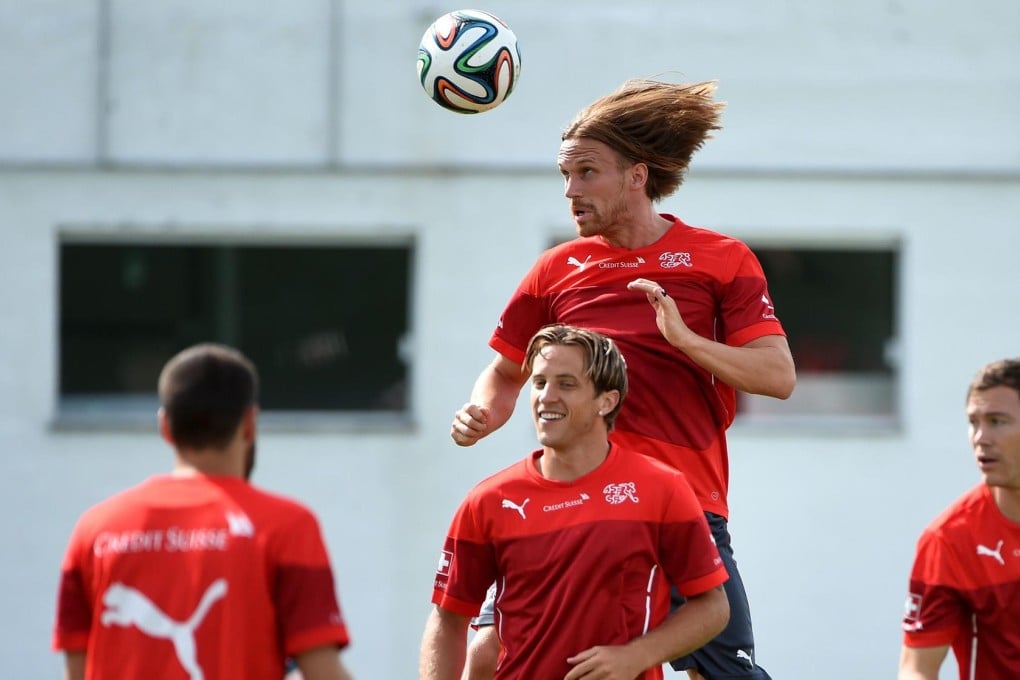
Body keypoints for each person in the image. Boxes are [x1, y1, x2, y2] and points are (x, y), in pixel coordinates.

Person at [450, 78, 795, 680]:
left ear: (637, 176)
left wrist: (685, 340)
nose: (570, 191)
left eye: (587, 173)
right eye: (565, 177)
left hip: (682, 505)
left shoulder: (721, 258)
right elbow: (507, 371)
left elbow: (776, 375)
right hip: (572, 500)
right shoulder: (556, 269)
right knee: (487, 654)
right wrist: (482, 410)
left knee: (725, 674)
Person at [423, 324, 730, 680]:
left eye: (566, 384)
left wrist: (636, 656)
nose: (546, 396)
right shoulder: (489, 501)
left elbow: (713, 606)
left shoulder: (662, 490)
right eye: (539, 383)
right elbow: (448, 619)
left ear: (607, 400)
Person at [52, 343, 354, 680]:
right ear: (250, 423)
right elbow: (322, 672)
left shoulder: (94, 530)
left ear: (165, 427)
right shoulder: (289, 527)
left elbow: (75, 672)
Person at [898, 358, 1020, 680]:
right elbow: (917, 669)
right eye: (973, 422)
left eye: (997, 421)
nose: (981, 437)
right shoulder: (950, 539)